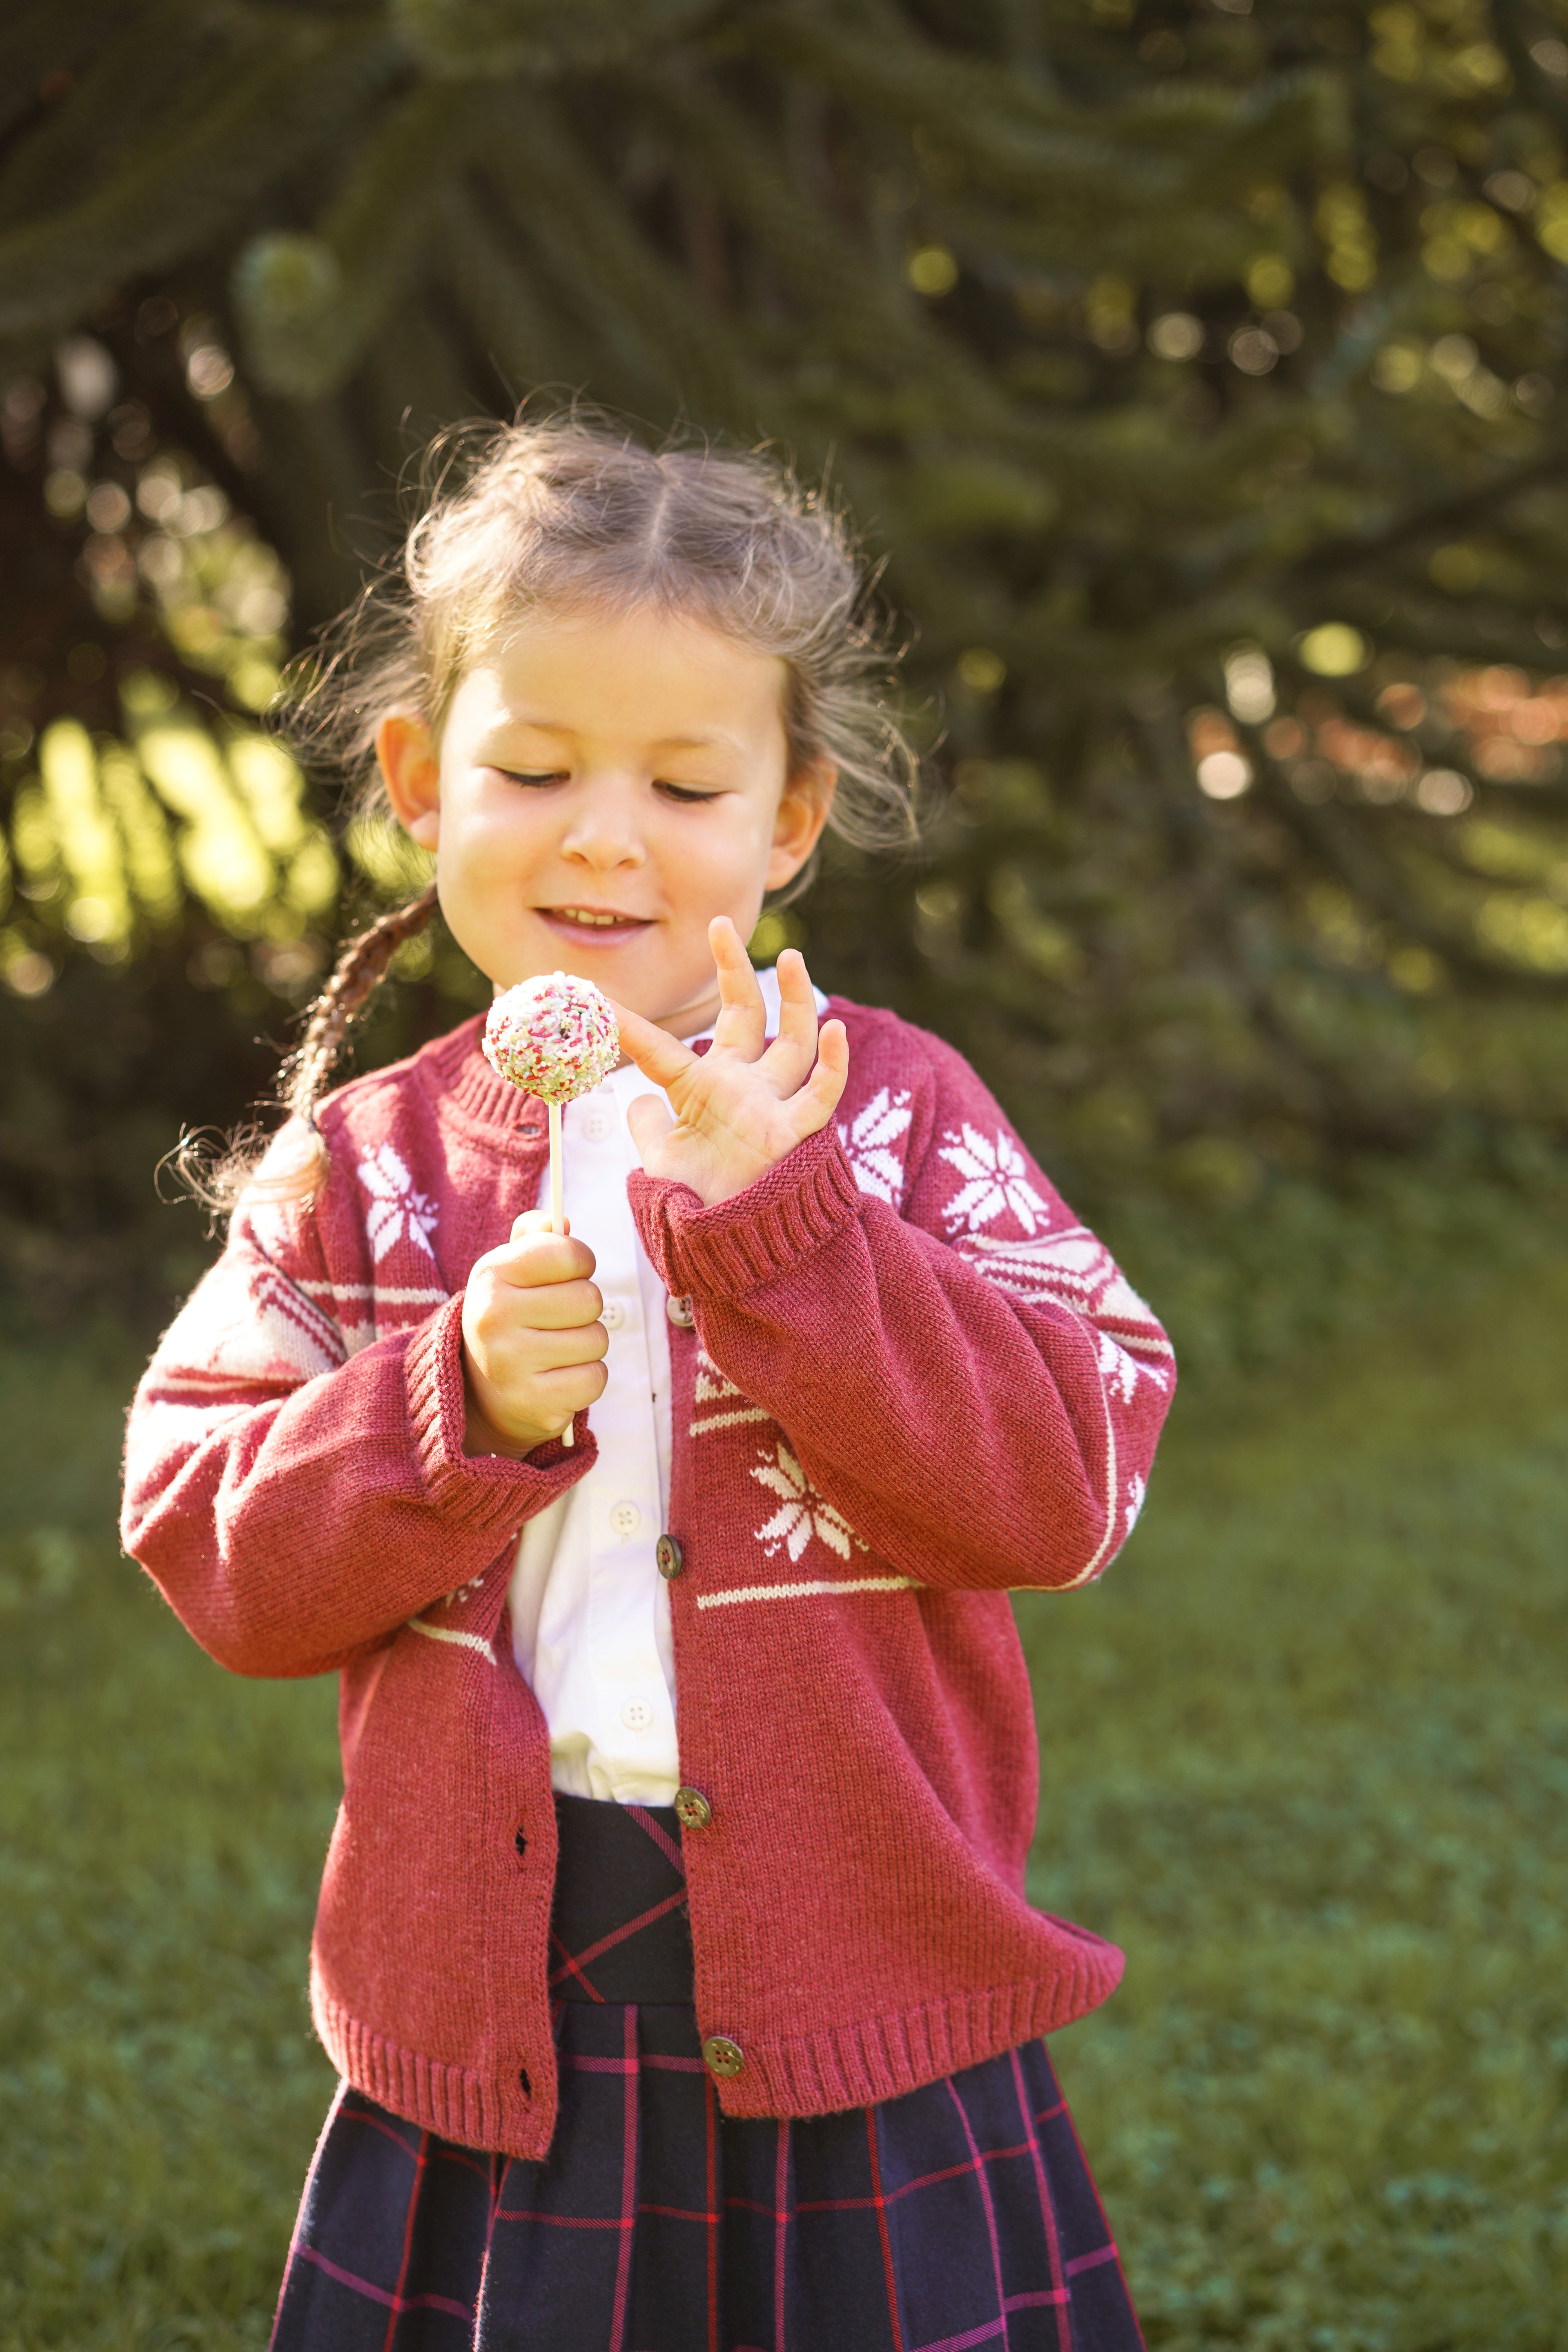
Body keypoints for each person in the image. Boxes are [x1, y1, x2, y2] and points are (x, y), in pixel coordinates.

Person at [121, 417, 1176, 2352]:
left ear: (786, 824)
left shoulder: (895, 1125)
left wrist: (797, 1245)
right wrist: (446, 1408)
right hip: (504, 2005)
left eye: (686, 784)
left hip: (859, 1976)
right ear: (424, 786)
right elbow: (209, 1547)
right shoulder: (368, 1168)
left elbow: (1075, 1474)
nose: (604, 833)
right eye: (533, 770)